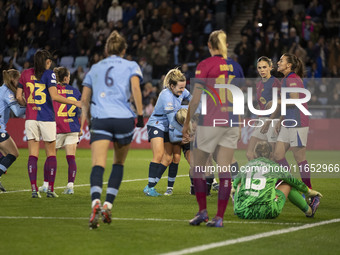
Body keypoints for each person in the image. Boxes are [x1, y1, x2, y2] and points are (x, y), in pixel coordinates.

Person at [81, 31, 144, 229]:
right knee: (118, 163)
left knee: (98, 164)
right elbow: (135, 89)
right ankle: (108, 205)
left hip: (101, 118)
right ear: (124, 50)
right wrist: (140, 115)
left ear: (107, 50)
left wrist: (89, 120)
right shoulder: (131, 65)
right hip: (123, 118)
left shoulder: (95, 67)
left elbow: (84, 100)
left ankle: (95, 202)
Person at [183, 30, 238, 227]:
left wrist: (188, 122)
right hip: (231, 122)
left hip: (211, 120)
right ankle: (219, 218)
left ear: (209, 45)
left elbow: (196, 97)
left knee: (198, 167)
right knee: (225, 170)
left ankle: (202, 212)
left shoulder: (205, 65)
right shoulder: (235, 66)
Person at [16, 49, 81, 198]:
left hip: (31, 118)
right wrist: (75, 102)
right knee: (51, 154)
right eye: (49, 61)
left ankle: (34, 189)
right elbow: (54, 96)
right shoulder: (49, 73)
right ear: (47, 62)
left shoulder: (25, 73)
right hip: (47, 118)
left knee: (33, 154)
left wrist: (28, 104)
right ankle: (50, 190)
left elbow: (19, 96)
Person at [233, 141, 322, 219]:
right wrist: (308, 191)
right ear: (270, 154)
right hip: (268, 211)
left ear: (254, 154)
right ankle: (309, 211)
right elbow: (294, 181)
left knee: (239, 183)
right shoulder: (274, 167)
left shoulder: (246, 166)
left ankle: (237, 209)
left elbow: (234, 185)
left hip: (243, 212)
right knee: (288, 184)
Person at [143, 68, 191, 197]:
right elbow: (173, 122)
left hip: (167, 127)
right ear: (171, 86)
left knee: (169, 158)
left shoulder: (181, 91)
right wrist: (186, 132)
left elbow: (192, 98)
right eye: (180, 88)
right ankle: (150, 187)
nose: (182, 91)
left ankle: (150, 186)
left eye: (183, 87)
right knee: (158, 155)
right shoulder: (166, 96)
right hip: (157, 125)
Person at [38, 67, 82, 195]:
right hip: (73, 128)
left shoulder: (52, 91)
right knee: (71, 158)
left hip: (56, 128)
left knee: (50, 157)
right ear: (66, 78)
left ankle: (46, 185)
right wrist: (81, 127)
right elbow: (83, 108)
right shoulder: (75, 91)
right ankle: (70, 186)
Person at [274, 53, 312, 189]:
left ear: (289, 65)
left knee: (300, 158)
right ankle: (289, 184)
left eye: (281, 60)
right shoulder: (287, 79)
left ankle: (309, 192)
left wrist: (276, 102)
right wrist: (281, 119)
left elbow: (295, 100)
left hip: (298, 121)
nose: (278, 62)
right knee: (278, 154)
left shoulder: (292, 78)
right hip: (288, 121)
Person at [246, 56, 281, 161]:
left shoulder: (275, 82)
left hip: (272, 121)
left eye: (264, 67)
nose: (262, 70)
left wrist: (270, 121)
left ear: (270, 67)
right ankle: (257, 176)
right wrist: (258, 119)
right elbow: (260, 105)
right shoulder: (258, 84)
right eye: (259, 68)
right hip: (261, 121)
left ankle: (276, 177)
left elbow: (280, 104)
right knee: (249, 154)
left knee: (273, 156)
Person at [0, 70, 26, 192]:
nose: (20, 83)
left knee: (5, 155)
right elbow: (17, 112)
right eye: (18, 80)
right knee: (13, 153)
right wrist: (29, 105)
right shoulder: (7, 92)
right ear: (12, 80)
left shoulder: (1, 89)